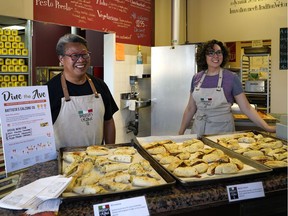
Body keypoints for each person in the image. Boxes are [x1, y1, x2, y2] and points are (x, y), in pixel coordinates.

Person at [178, 39, 275, 138]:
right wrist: (180, 133)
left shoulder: (231, 78)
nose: (215, 56)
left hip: (223, 132)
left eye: (219, 52)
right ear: (204, 56)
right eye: (211, 53)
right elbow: (190, 108)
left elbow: (247, 108)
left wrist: (267, 127)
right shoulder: (196, 78)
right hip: (198, 130)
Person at [46, 33, 119, 149]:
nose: (81, 60)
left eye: (84, 54)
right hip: (64, 161)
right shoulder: (49, 90)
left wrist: (111, 150)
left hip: (97, 156)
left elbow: (108, 121)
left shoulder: (100, 85)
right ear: (61, 59)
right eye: (74, 55)